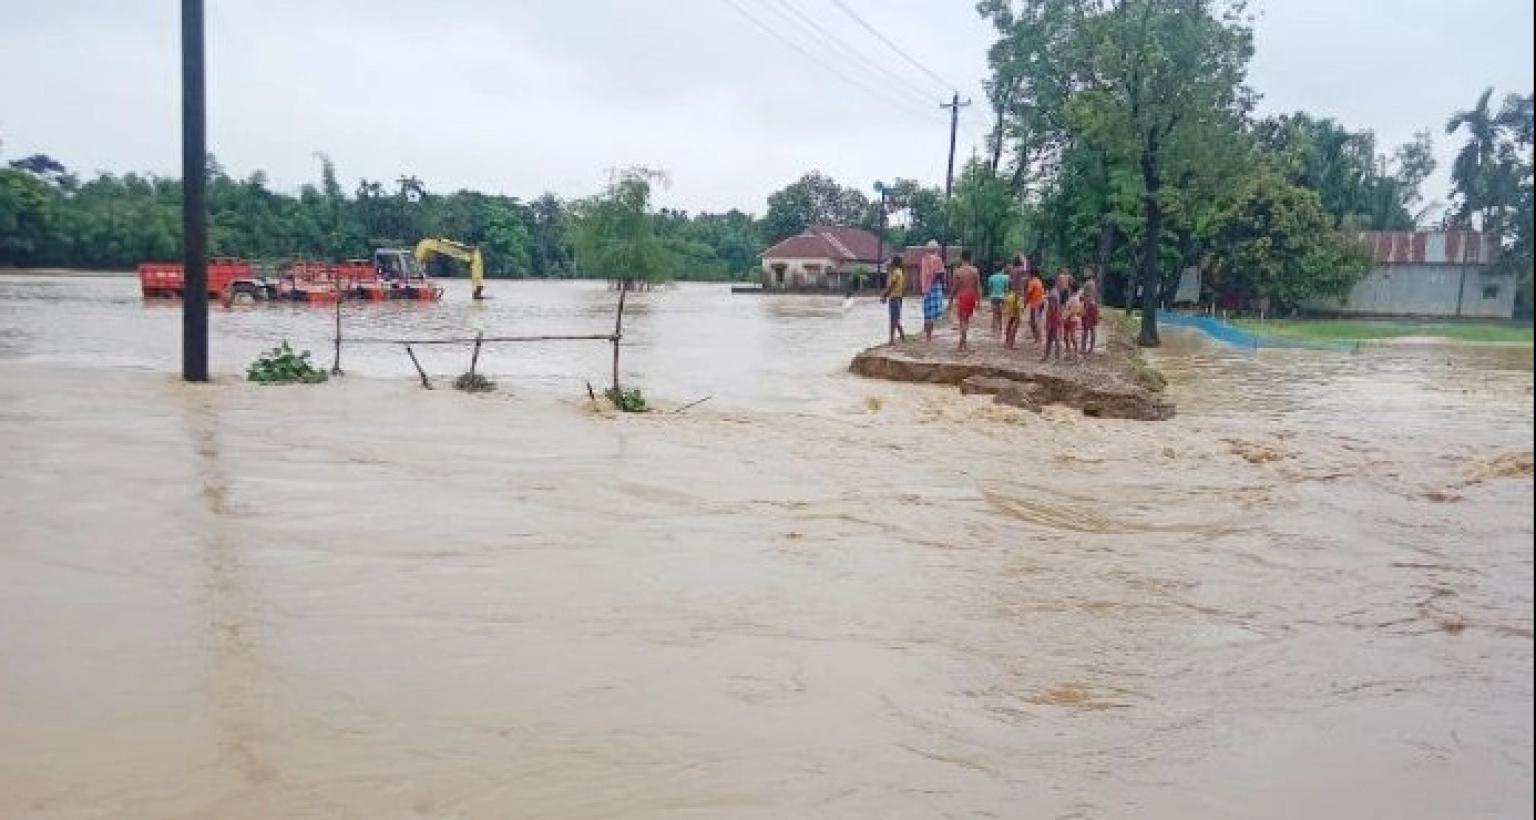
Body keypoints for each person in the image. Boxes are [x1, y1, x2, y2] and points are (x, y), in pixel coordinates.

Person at [951, 250, 982, 352]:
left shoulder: (958, 272)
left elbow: (954, 289)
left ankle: (962, 344)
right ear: (970, 258)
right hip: (971, 296)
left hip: (962, 296)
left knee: (962, 321)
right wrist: (979, 302)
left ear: (961, 259)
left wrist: (950, 301)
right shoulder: (975, 271)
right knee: (966, 320)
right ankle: (963, 344)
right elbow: (978, 287)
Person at [919, 241, 946, 341]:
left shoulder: (923, 259)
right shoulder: (937, 259)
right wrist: (943, 285)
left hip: (925, 288)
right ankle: (929, 337)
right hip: (934, 287)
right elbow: (940, 274)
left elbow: (923, 274)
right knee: (932, 314)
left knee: (927, 313)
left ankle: (927, 336)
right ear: (936, 249)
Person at [880, 254, 906, 345]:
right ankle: (902, 335)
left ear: (894, 263)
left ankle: (892, 340)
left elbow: (891, 285)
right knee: (895, 318)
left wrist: (884, 295)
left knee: (893, 319)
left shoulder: (895, 272)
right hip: (898, 297)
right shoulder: (900, 271)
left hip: (894, 297)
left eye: (891, 262)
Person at [1041, 288, 1064, 363]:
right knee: (1050, 339)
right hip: (1055, 318)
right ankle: (1048, 356)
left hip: (1053, 319)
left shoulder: (1052, 295)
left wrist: (1049, 322)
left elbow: (1052, 309)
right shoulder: (1055, 292)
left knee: (1053, 338)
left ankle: (1055, 356)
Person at [986, 261, 1010, 336]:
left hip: (994, 297)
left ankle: (994, 330)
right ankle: (1001, 330)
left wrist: (991, 296)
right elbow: (1006, 289)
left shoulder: (991, 277)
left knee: (995, 313)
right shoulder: (1006, 277)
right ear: (1002, 269)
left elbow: (990, 289)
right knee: (1003, 313)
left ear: (995, 269)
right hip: (1003, 297)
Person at [1024, 269, 1046, 343]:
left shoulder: (1032, 282)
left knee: (1034, 322)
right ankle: (1038, 338)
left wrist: (1025, 303)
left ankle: (1038, 338)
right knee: (1036, 321)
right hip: (1040, 303)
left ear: (1031, 274)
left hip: (1036, 304)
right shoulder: (1039, 281)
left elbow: (1028, 294)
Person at [1064, 286, 1084, 359]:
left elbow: (1073, 310)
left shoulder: (1075, 298)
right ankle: (1069, 352)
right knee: (1066, 337)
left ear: (1071, 289)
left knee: (1072, 337)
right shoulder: (1072, 298)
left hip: (1071, 319)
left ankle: (1076, 352)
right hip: (1068, 319)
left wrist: (1066, 317)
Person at [1003, 280, 1023, 349]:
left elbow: (1005, 305)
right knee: (1014, 328)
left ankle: (1007, 341)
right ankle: (1011, 344)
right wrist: (1019, 314)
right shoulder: (1016, 295)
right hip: (1015, 312)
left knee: (1009, 326)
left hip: (1010, 312)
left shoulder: (1008, 294)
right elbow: (1017, 304)